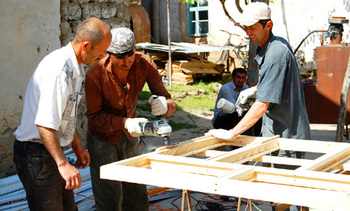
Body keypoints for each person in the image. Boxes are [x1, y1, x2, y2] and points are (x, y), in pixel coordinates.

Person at [13, 18, 112, 210]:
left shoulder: (75, 65)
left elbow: (63, 115)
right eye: (101, 51)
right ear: (86, 45)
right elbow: (45, 124)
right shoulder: (59, 70)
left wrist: (77, 146)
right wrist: (62, 164)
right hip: (36, 153)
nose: (103, 56)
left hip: (51, 150)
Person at [85, 27, 176, 211]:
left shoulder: (144, 64)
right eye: (120, 56)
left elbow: (168, 100)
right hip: (103, 138)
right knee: (109, 196)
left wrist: (165, 106)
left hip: (130, 135)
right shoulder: (95, 74)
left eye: (130, 54)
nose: (126, 61)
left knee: (136, 191)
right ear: (109, 53)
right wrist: (125, 123)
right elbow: (94, 118)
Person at [206, 2, 310, 156]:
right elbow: (277, 82)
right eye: (245, 28)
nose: (248, 32)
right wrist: (256, 90)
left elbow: (262, 105)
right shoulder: (272, 45)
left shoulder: (275, 53)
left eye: (252, 28)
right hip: (273, 134)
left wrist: (232, 133)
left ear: (268, 25)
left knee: (281, 180)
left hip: (287, 137)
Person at [212, 68, 260, 135]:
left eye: (243, 78)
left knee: (257, 114)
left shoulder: (245, 88)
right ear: (232, 78)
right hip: (221, 119)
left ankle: (258, 138)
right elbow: (235, 108)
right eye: (238, 77)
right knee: (240, 116)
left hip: (234, 116)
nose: (241, 80)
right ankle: (236, 143)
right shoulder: (226, 89)